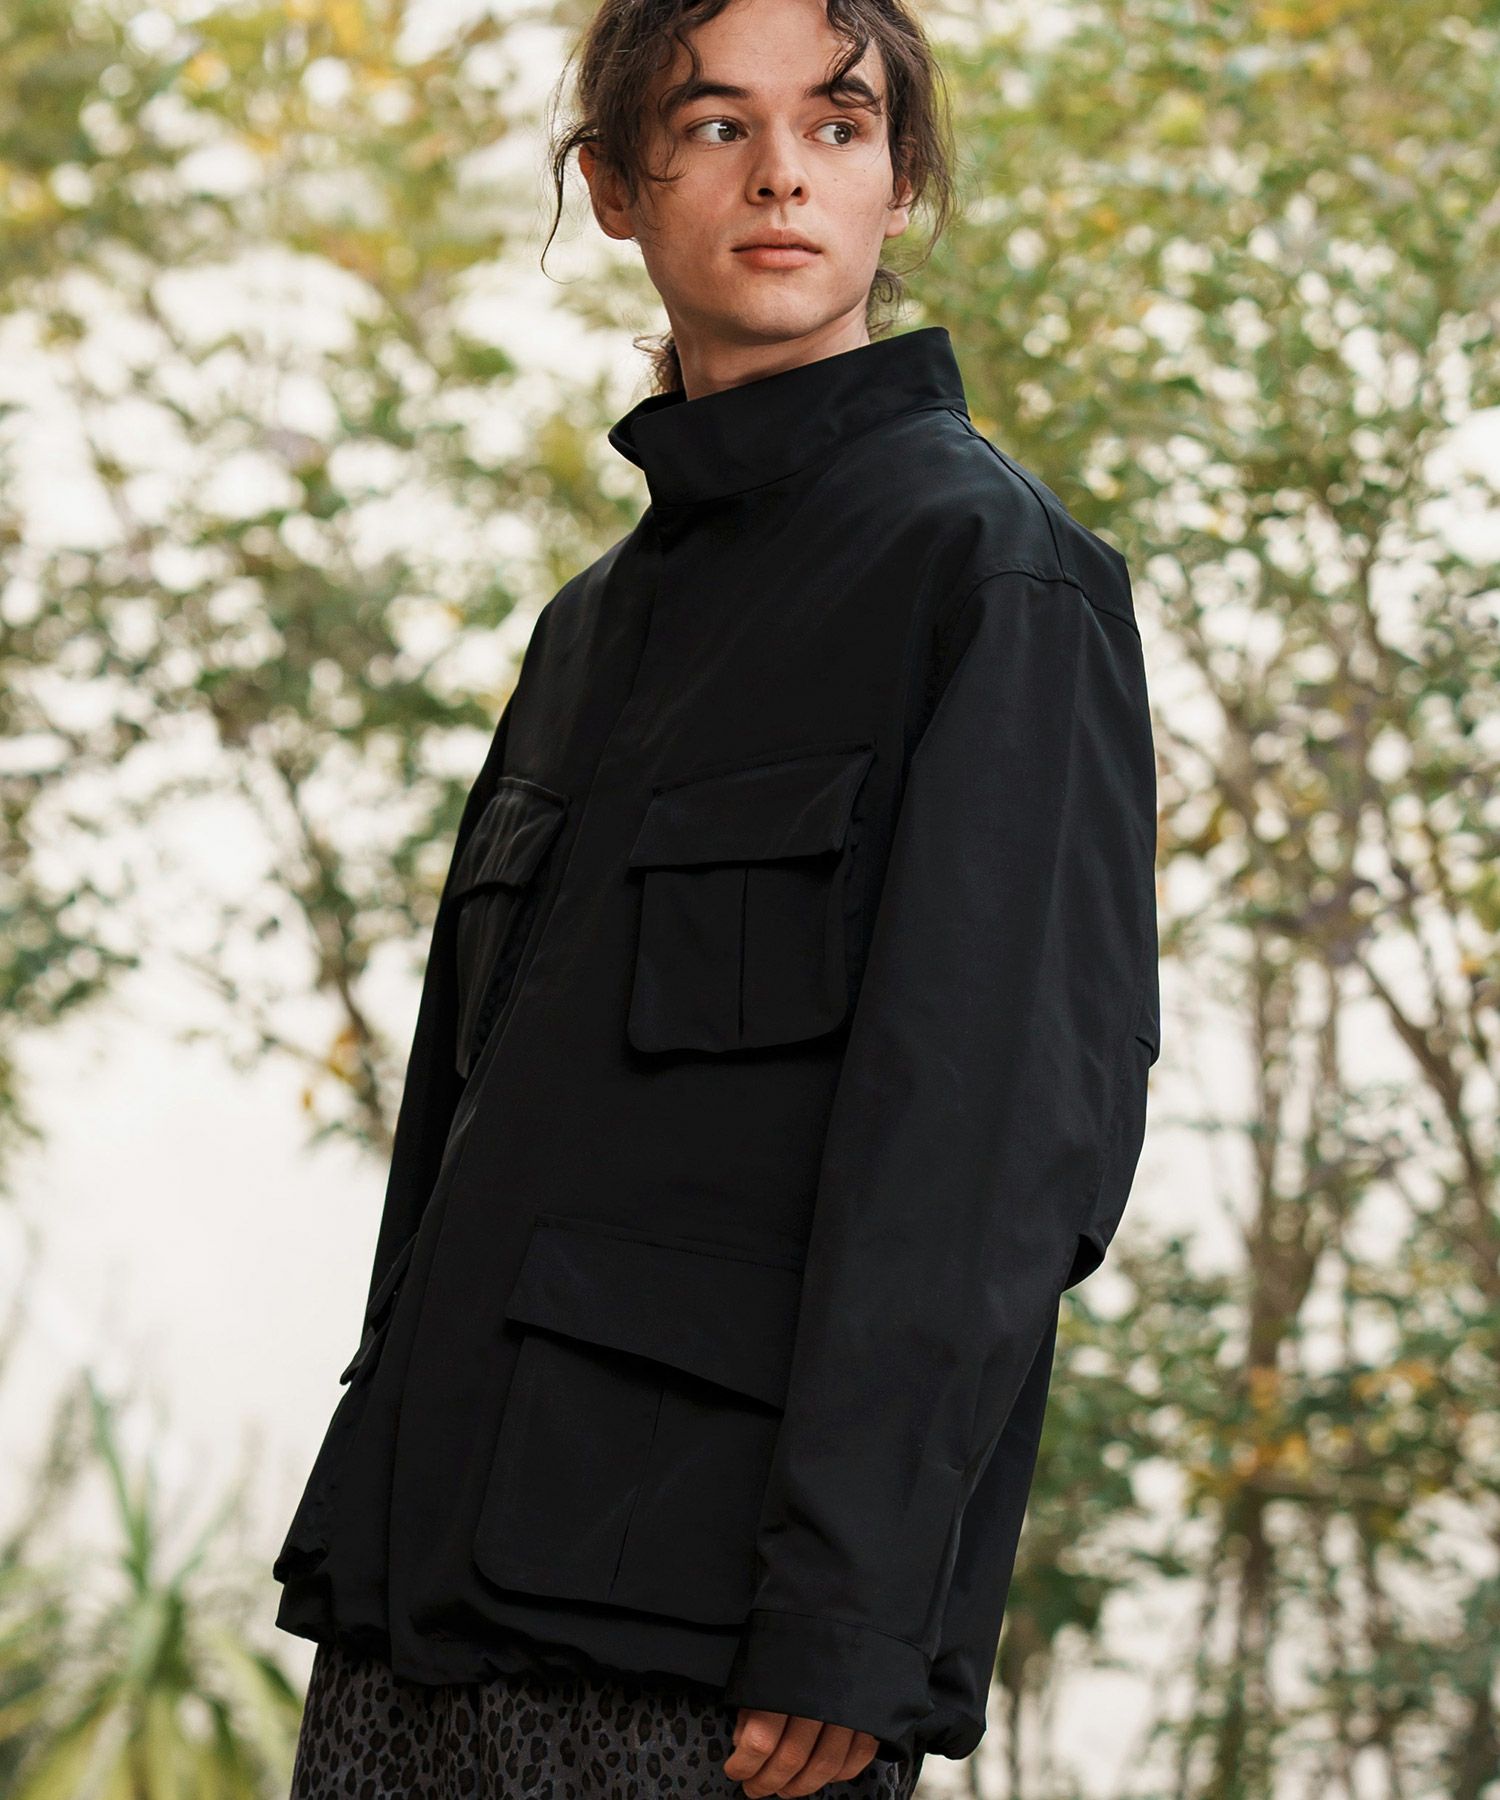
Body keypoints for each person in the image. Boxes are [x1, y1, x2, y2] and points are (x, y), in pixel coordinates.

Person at [273, 0, 1161, 1794]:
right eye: (712, 126)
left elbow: (995, 1146)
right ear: (615, 185)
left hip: (714, 1656)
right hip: (413, 1604)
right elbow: (459, 1142)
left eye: (838, 126)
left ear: (901, 183)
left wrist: (857, 1614)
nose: (780, 177)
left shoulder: (990, 574)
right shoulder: (587, 630)